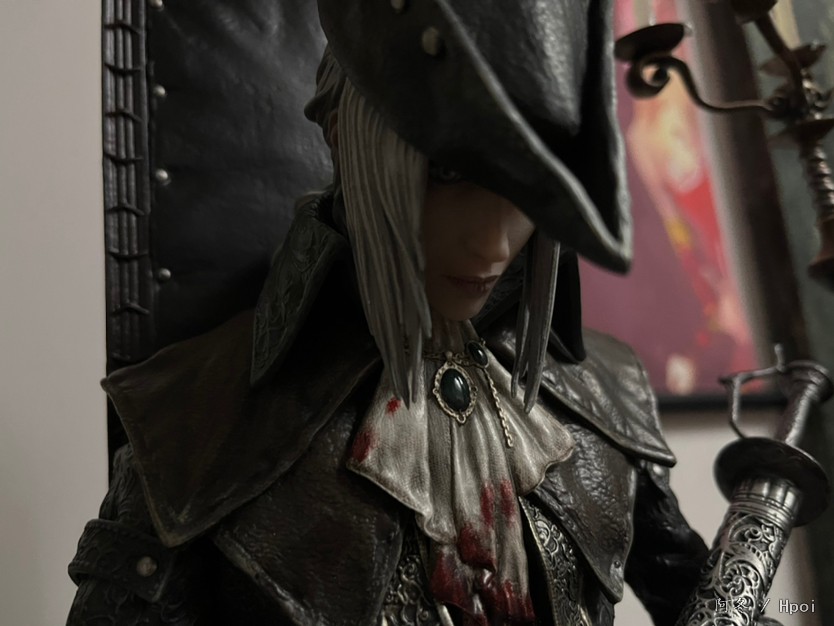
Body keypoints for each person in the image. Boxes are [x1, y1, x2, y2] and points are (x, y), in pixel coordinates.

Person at [67, 2, 710, 624]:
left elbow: (697, 596)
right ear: (343, 136)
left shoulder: (606, 396)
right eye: (447, 172)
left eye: (526, 184)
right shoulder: (192, 426)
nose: (491, 244)